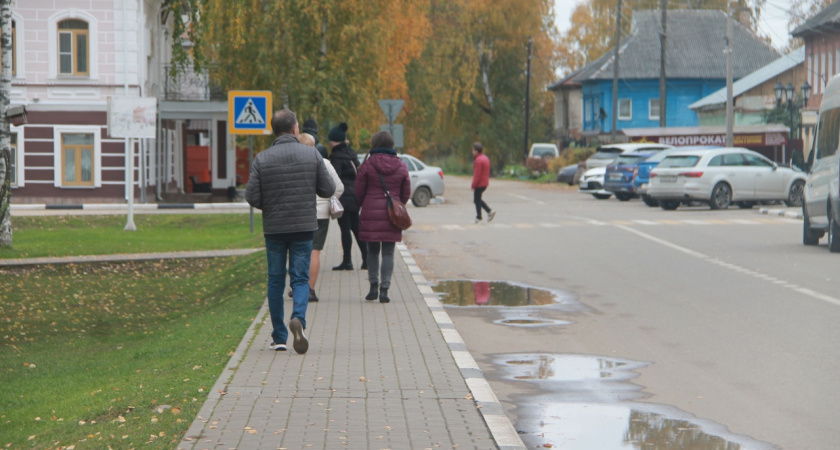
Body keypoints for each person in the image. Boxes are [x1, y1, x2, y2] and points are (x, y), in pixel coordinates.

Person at [245, 109, 336, 354]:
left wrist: (272, 206)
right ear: (295, 128)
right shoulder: (311, 155)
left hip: (274, 228)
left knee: (275, 280)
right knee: (300, 279)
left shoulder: (262, 158)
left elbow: (251, 195)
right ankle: (299, 321)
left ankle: (279, 337)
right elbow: (328, 189)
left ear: (275, 130)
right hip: (303, 226)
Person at [355, 130, 410, 303]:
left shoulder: (368, 164)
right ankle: (384, 290)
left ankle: (373, 287)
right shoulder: (401, 165)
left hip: (371, 211)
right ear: (391, 144)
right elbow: (406, 192)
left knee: (372, 250)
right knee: (388, 252)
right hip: (391, 213)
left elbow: (358, 190)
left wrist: (366, 203)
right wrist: (398, 203)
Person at [296, 133, 344, 302]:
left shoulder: (294, 163)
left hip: (300, 213)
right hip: (321, 215)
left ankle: (297, 287)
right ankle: (310, 290)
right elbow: (339, 188)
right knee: (314, 251)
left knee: (299, 251)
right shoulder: (324, 163)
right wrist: (328, 201)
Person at [328, 122, 367, 271]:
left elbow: (335, 178)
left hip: (343, 197)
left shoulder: (337, 157)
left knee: (345, 229)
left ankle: (347, 261)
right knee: (356, 228)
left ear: (334, 141)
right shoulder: (351, 154)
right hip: (354, 196)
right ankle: (366, 259)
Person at [471, 142, 495, 223]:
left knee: (476, 200)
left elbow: (477, 174)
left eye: (473, 150)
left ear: (477, 151)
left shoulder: (478, 160)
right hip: (485, 183)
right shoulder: (485, 158)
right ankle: (489, 212)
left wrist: (473, 184)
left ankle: (479, 217)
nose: (472, 152)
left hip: (479, 183)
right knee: (478, 199)